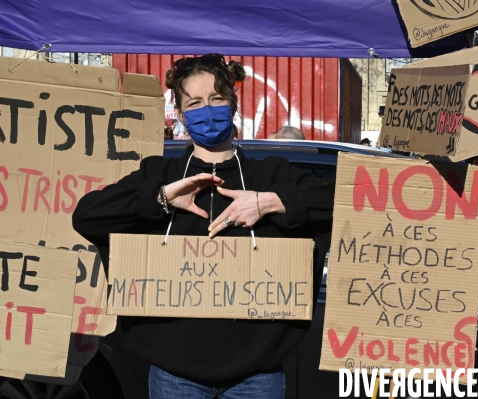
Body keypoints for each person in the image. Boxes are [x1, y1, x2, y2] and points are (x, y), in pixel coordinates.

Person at [72, 54, 335, 399]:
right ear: (180, 115)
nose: (207, 110)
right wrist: (161, 198)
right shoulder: (159, 174)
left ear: (233, 103)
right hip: (173, 376)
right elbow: (87, 215)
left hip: (258, 376)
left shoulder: (272, 174)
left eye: (216, 99)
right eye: (194, 103)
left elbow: (342, 203)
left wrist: (270, 202)